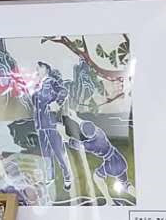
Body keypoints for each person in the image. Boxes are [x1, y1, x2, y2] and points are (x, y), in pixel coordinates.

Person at [30, 62, 73, 194]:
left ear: (47, 69)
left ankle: (67, 177)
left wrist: (57, 102)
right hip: (41, 125)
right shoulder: (37, 85)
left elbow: (64, 91)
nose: (37, 69)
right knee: (46, 154)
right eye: (37, 67)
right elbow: (35, 103)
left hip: (52, 123)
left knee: (59, 152)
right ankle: (49, 177)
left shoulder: (51, 82)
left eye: (40, 67)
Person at [63, 117, 129, 191]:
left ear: (86, 136)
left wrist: (64, 136)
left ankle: (108, 198)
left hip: (111, 163)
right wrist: (74, 117)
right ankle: (132, 191)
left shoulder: (91, 145)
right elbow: (87, 125)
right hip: (117, 156)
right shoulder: (100, 132)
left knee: (96, 177)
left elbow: (76, 144)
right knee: (126, 184)